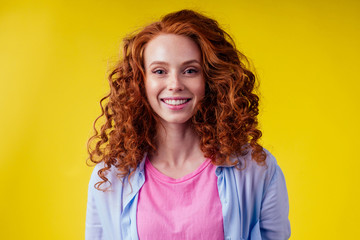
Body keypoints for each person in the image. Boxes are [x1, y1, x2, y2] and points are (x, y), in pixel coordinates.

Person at [85, 9, 290, 240]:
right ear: (140, 82)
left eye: (190, 70)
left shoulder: (256, 168)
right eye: (159, 71)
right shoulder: (110, 177)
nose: (175, 84)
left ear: (210, 80)